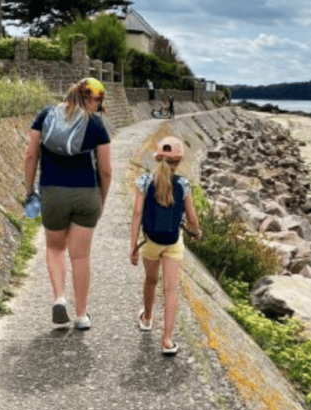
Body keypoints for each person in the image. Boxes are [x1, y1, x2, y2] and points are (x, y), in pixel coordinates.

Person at [24, 77, 112, 330]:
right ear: (88, 98)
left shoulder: (45, 115)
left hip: (53, 192)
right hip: (86, 194)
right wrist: (102, 199)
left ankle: (60, 297)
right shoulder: (95, 124)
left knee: (54, 249)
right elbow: (106, 170)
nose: (99, 107)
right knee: (81, 256)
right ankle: (82, 316)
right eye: (98, 101)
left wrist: (30, 190)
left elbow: (30, 155)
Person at [129, 131, 201, 355]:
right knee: (170, 290)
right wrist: (196, 232)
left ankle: (148, 318)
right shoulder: (184, 184)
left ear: (157, 158)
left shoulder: (143, 181)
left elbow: (137, 213)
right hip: (173, 242)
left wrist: (133, 246)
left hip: (150, 241)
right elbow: (191, 217)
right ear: (179, 162)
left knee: (150, 281)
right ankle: (167, 340)